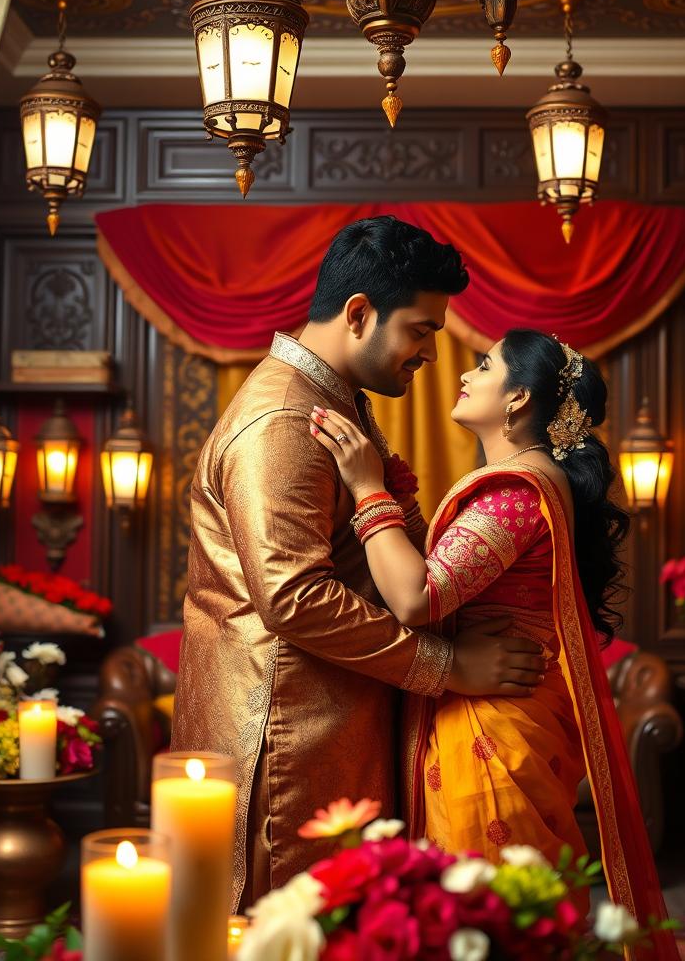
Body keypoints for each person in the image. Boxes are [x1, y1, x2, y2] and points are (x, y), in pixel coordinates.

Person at [171, 218, 546, 912]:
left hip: (322, 727)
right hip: (284, 741)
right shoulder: (284, 418)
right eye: (421, 330)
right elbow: (293, 597)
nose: (431, 353)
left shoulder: (331, 401)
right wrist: (447, 666)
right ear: (358, 313)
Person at [309, 328, 679, 960]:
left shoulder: (515, 491)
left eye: (484, 365)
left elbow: (416, 598)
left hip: (494, 724)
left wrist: (367, 489)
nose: (463, 374)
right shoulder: (531, 480)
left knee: (489, 920)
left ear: (518, 399)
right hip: (502, 708)